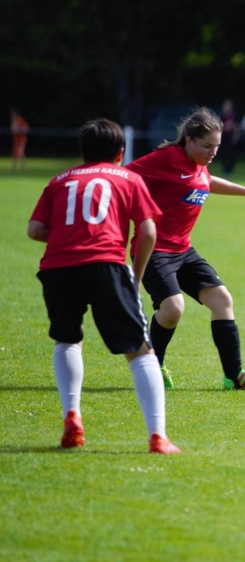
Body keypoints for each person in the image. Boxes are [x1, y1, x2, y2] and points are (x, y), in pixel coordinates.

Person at [27, 118, 180, 454]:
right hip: (105, 265)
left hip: (57, 268)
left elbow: (35, 229)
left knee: (68, 340)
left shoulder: (59, 181)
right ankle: (158, 436)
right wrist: (135, 276)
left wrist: (69, 236)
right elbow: (149, 231)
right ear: (120, 153)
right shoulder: (129, 178)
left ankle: (72, 415)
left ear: (82, 152)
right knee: (140, 351)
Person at [126, 107, 245, 390]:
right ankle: (151, 367)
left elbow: (206, 180)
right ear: (189, 141)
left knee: (222, 301)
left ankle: (234, 376)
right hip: (154, 251)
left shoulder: (198, 163)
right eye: (207, 146)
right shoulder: (166, 159)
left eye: (217, 147)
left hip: (183, 250)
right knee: (173, 309)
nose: (213, 153)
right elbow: (124, 176)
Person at [219, 99, 240, 175]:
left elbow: (237, 127)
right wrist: (225, 127)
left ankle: (230, 170)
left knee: (233, 154)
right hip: (223, 136)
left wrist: (236, 136)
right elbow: (218, 128)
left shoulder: (235, 116)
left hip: (231, 136)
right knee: (224, 153)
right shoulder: (221, 116)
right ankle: (225, 170)